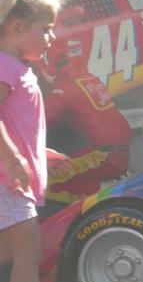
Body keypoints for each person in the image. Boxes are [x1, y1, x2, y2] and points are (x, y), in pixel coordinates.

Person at [0, 0, 68, 282]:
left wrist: (38, 153)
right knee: (28, 250)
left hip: (10, 177)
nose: (51, 37)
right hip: (7, 180)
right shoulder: (5, 66)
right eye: (45, 29)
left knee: (9, 250)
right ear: (17, 27)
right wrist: (13, 158)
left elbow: (17, 124)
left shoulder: (16, 68)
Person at [40, 54, 132, 204]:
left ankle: (112, 190)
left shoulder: (63, 86)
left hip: (104, 155)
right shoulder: (87, 76)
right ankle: (115, 178)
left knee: (45, 184)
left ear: (50, 68)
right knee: (62, 165)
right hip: (113, 150)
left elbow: (43, 119)